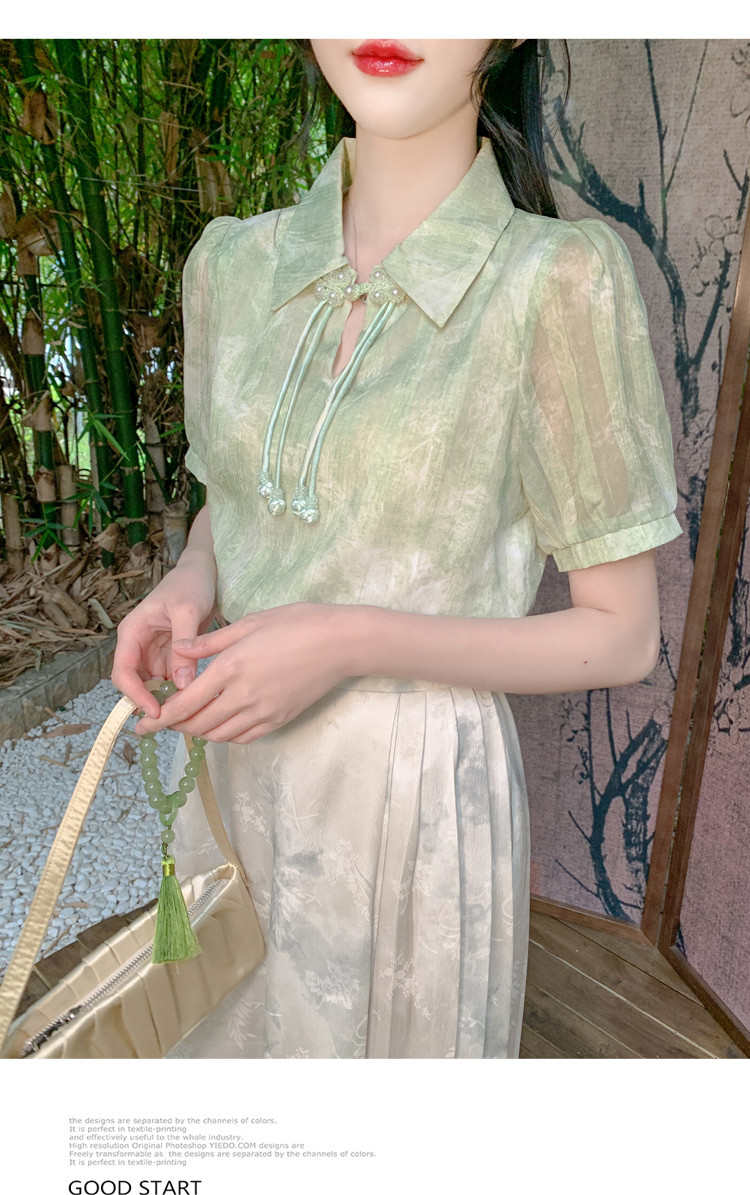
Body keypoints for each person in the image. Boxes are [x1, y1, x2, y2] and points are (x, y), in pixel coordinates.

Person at [111, 39, 683, 1059]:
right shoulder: (231, 266)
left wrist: (346, 640)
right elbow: (237, 503)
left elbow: (622, 635)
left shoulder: (555, 282)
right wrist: (190, 582)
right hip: (233, 772)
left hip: (414, 798)